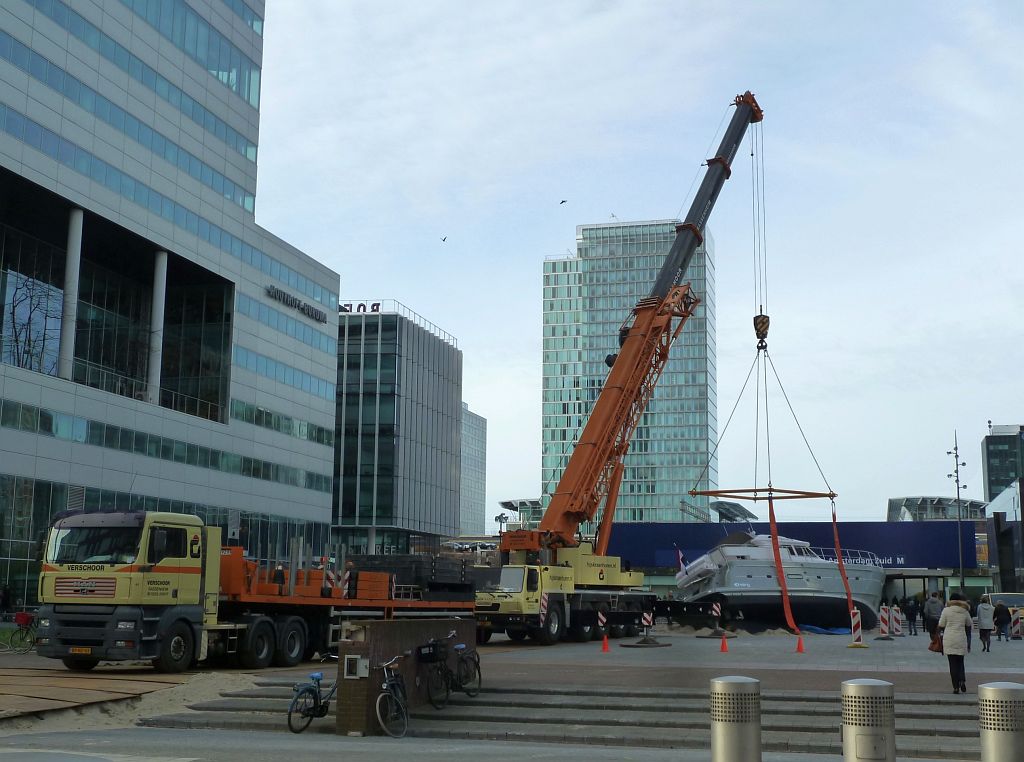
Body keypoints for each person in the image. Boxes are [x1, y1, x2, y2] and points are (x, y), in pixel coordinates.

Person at [938, 591, 972, 694]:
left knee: (952, 664)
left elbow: (941, 624)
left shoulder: (946, 610)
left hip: (949, 639)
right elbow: (969, 624)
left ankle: (955, 687)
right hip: (961, 638)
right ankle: (962, 680)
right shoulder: (964, 611)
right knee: (960, 662)